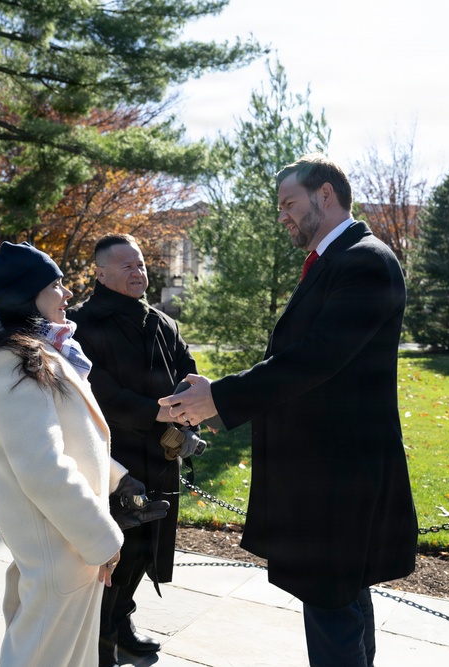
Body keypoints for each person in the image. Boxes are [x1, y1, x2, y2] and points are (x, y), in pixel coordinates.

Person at [159, 154, 419, 666]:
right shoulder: (336, 260)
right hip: (326, 471)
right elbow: (299, 359)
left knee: (332, 604)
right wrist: (219, 392)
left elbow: (316, 358)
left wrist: (221, 397)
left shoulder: (364, 259)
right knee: (340, 599)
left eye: (289, 203)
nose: (282, 216)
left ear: (325, 194)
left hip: (340, 473)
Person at [0, 241, 168, 666]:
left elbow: (67, 439)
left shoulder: (33, 349)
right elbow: (42, 467)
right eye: (56, 284)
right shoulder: (14, 361)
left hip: (67, 540)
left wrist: (116, 477)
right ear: (29, 294)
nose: (67, 293)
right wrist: (104, 540)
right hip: (61, 542)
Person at [68, 234, 205, 667]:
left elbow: (187, 372)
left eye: (141, 264)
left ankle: (120, 626)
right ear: (100, 272)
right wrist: (157, 413)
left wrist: (187, 406)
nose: (137, 272)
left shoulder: (163, 324)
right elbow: (95, 390)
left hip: (161, 457)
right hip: (111, 461)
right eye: (126, 266)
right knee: (112, 550)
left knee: (147, 546)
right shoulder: (80, 325)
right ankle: (97, 642)